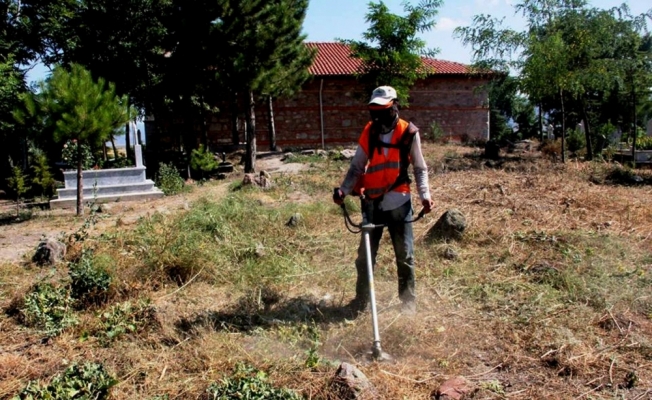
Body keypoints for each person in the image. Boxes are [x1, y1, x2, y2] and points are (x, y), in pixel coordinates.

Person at [333, 85, 434, 315]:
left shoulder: (408, 132)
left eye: (383, 110)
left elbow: (420, 168)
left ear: (394, 106)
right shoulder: (369, 131)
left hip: (399, 201)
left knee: (405, 255)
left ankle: (408, 305)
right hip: (372, 203)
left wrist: (425, 196)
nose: (377, 115)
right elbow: (357, 166)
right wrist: (343, 190)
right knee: (364, 258)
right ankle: (361, 302)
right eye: (374, 110)